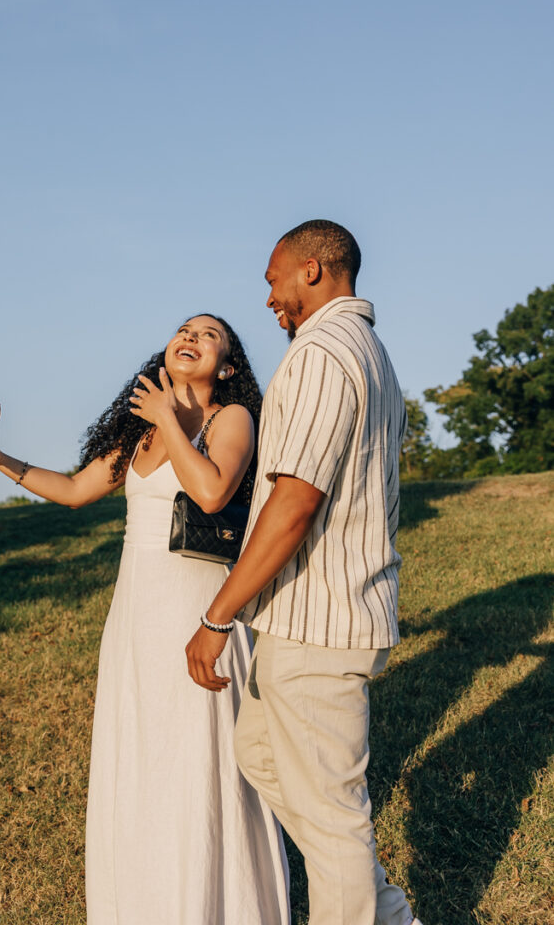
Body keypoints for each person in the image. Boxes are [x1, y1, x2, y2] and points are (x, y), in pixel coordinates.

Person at [0, 313, 290, 925]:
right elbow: (71, 490)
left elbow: (214, 493)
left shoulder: (232, 418)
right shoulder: (137, 434)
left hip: (199, 610)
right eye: (184, 329)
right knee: (142, 759)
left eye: (209, 334)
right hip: (135, 616)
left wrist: (171, 419)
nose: (191, 337)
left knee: (198, 763)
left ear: (227, 366)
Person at [186, 223, 424, 925]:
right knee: (260, 755)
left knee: (333, 816)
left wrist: (215, 615)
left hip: (322, 620)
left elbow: (293, 502)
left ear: (314, 270)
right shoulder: (368, 351)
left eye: (273, 278)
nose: (268, 297)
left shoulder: (322, 351)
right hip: (306, 617)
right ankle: (388, 915)